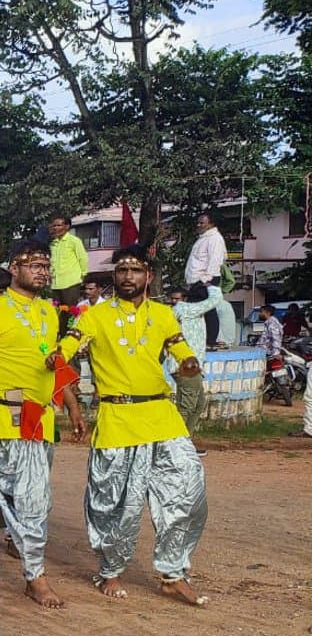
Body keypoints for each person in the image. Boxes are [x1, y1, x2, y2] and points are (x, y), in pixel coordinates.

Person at [56, 246, 208, 607]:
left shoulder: (164, 314)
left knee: (187, 492)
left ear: (148, 276)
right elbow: (69, 345)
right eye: (121, 270)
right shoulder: (95, 316)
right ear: (114, 276)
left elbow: (181, 349)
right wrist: (56, 353)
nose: (127, 276)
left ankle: (173, 573)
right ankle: (110, 571)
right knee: (114, 504)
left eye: (135, 270)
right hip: (117, 418)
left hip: (161, 415)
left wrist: (188, 364)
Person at [0, 240, 87, 610]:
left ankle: (34, 576)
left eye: (45, 265)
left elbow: (50, 361)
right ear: (13, 268)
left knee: (36, 501)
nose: (42, 270)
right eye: (34, 264)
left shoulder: (50, 313)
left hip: (38, 418)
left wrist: (72, 406)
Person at [167, 287, 219, 435]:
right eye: (173, 299)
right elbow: (215, 299)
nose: (174, 301)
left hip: (191, 367)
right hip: (185, 367)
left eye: (176, 298)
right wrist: (210, 283)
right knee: (186, 408)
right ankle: (175, 444)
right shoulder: (186, 309)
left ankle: (185, 441)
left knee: (198, 405)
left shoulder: (188, 312)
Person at [185, 213, 227, 350]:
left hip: (206, 279)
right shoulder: (202, 239)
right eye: (198, 222)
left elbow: (215, 260)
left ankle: (211, 342)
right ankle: (197, 339)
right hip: (196, 280)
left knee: (209, 310)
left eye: (202, 223)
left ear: (211, 224)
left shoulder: (215, 239)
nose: (198, 225)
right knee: (193, 311)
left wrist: (206, 279)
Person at [46, 215, 88, 319]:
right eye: (54, 226)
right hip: (56, 284)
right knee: (58, 312)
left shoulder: (74, 241)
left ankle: (70, 333)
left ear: (67, 226)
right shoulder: (52, 243)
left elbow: (83, 258)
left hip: (71, 283)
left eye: (59, 225)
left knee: (71, 312)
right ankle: (60, 334)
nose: (56, 228)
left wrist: (83, 275)